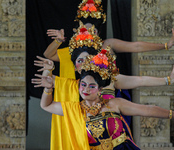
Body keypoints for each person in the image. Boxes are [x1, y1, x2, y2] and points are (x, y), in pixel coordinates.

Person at [32, 49, 174, 149]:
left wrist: (171, 114)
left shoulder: (114, 104)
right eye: (83, 85)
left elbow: (146, 110)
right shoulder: (74, 109)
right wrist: (48, 89)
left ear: (100, 90)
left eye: (92, 86)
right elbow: (46, 105)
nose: (86, 89)